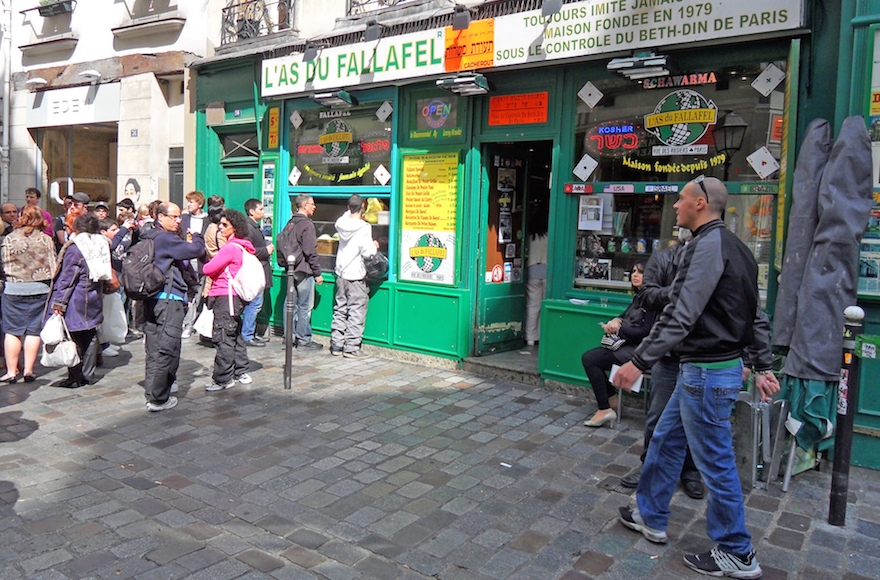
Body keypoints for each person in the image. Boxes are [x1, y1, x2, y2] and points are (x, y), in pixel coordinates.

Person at [614, 176, 780, 579]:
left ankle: (737, 551)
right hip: (705, 371)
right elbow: (754, 315)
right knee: (667, 441)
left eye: (682, 199)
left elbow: (680, 315)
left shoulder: (705, 248)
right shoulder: (737, 248)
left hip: (707, 373)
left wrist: (640, 360)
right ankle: (650, 515)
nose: (675, 206)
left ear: (701, 204)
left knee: (716, 464)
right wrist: (763, 364)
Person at [619, 230, 705, 500]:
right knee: (657, 414)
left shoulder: (713, 257)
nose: (677, 208)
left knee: (695, 418)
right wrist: (680, 293)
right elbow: (646, 294)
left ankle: (690, 471)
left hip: (702, 353)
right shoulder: (664, 258)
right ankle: (650, 465)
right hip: (667, 351)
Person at [139, 202, 205, 412]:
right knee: (168, 348)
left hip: (151, 297)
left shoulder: (148, 235)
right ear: (160, 216)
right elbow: (196, 250)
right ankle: (159, 398)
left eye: (179, 217)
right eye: (174, 217)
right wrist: (196, 235)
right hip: (169, 299)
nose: (178, 221)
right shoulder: (166, 238)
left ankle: (152, 392)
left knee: (153, 347)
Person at [581, 262, 656, 427]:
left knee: (591, 359)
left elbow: (646, 332)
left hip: (639, 351)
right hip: (628, 346)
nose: (635, 275)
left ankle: (605, 407)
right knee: (591, 358)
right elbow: (625, 315)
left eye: (641, 272)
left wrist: (619, 332)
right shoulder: (639, 297)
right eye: (634, 271)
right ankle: (610, 400)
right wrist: (616, 320)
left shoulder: (652, 301)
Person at [47, 212, 111, 389]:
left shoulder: (76, 248)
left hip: (77, 298)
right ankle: (88, 374)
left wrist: (59, 302)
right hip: (94, 294)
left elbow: (68, 278)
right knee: (90, 334)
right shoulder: (101, 243)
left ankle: (75, 376)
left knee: (73, 336)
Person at [0, 205, 56, 383]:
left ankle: (11, 371)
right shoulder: (46, 239)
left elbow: (3, 264)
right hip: (40, 288)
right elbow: (54, 265)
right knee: (33, 331)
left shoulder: (9, 238)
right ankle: (29, 370)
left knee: (12, 331)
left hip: (14, 288)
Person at [202, 209, 255, 391]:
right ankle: (241, 371)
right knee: (235, 334)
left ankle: (223, 379)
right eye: (220, 224)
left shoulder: (230, 248)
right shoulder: (243, 246)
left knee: (223, 336)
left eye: (225, 225)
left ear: (235, 228)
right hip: (235, 297)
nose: (220, 227)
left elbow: (208, 269)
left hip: (225, 296)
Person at [331, 194, 378, 358]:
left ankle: (336, 345)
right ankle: (351, 347)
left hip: (341, 273)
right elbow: (368, 252)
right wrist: (375, 245)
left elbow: (347, 214)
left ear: (347, 207)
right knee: (356, 311)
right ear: (363, 207)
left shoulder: (340, 223)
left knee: (340, 309)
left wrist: (351, 209)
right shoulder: (364, 227)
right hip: (356, 274)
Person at [281, 194, 324, 350]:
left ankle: (288, 337)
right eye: (312, 204)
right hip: (304, 271)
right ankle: (304, 340)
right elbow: (310, 251)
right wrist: (317, 272)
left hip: (291, 270)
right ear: (305, 206)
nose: (314, 207)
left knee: (289, 304)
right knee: (304, 306)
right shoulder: (307, 225)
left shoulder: (290, 223)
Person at [241, 198, 274, 347]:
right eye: (261, 209)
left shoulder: (255, 226)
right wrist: (265, 250)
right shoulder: (248, 227)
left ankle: (251, 332)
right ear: (252, 211)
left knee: (256, 304)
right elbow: (248, 250)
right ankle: (247, 335)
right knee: (254, 304)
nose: (263, 211)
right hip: (254, 271)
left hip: (260, 269)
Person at [180, 191, 210, 339]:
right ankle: (183, 321)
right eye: (188, 202)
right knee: (184, 292)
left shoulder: (208, 221)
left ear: (199, 204)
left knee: (196, 293)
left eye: (191, 202)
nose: (188, 204)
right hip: (184, 258)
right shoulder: (183, 218)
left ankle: (189, 324)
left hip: (200, 261)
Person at [525, 198, 549, 346]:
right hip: (547, 271)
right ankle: (542, 336)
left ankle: (530, 338)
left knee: (532, 307)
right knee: (545, 306)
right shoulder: (550, 233)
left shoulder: (530, 233)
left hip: (532, 270)